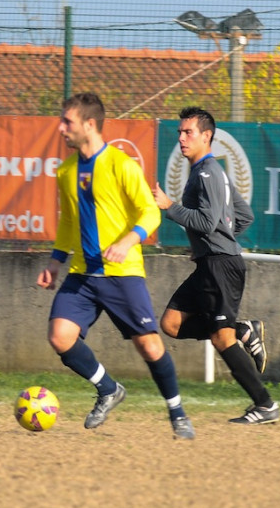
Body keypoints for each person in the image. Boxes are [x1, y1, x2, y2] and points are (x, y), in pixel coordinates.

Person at [36, 92, 194, 439]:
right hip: (82, 273)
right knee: (60, 337)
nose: (61, 128)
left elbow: (150, 212)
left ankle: (177, 412)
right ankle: (108, 389)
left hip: (122, 274)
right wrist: (55, 261)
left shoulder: (122, 165)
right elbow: (68, 222)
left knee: (150, 347)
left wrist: (127, 241)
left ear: (89, 125)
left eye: (67, 122)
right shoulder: (66, 171)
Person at [152, 106, 277, 425]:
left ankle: (265, 405)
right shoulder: (210, 172)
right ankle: (243, 330)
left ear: (206, 136)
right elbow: (244, 216)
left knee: (222, 340)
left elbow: (207, 222)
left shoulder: (207, 174)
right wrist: (217, 240)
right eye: (180, 132)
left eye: (188, 132)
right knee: (171, 324)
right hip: (213, 262)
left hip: (220, 266)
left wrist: (170, 206)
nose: (181, 137)